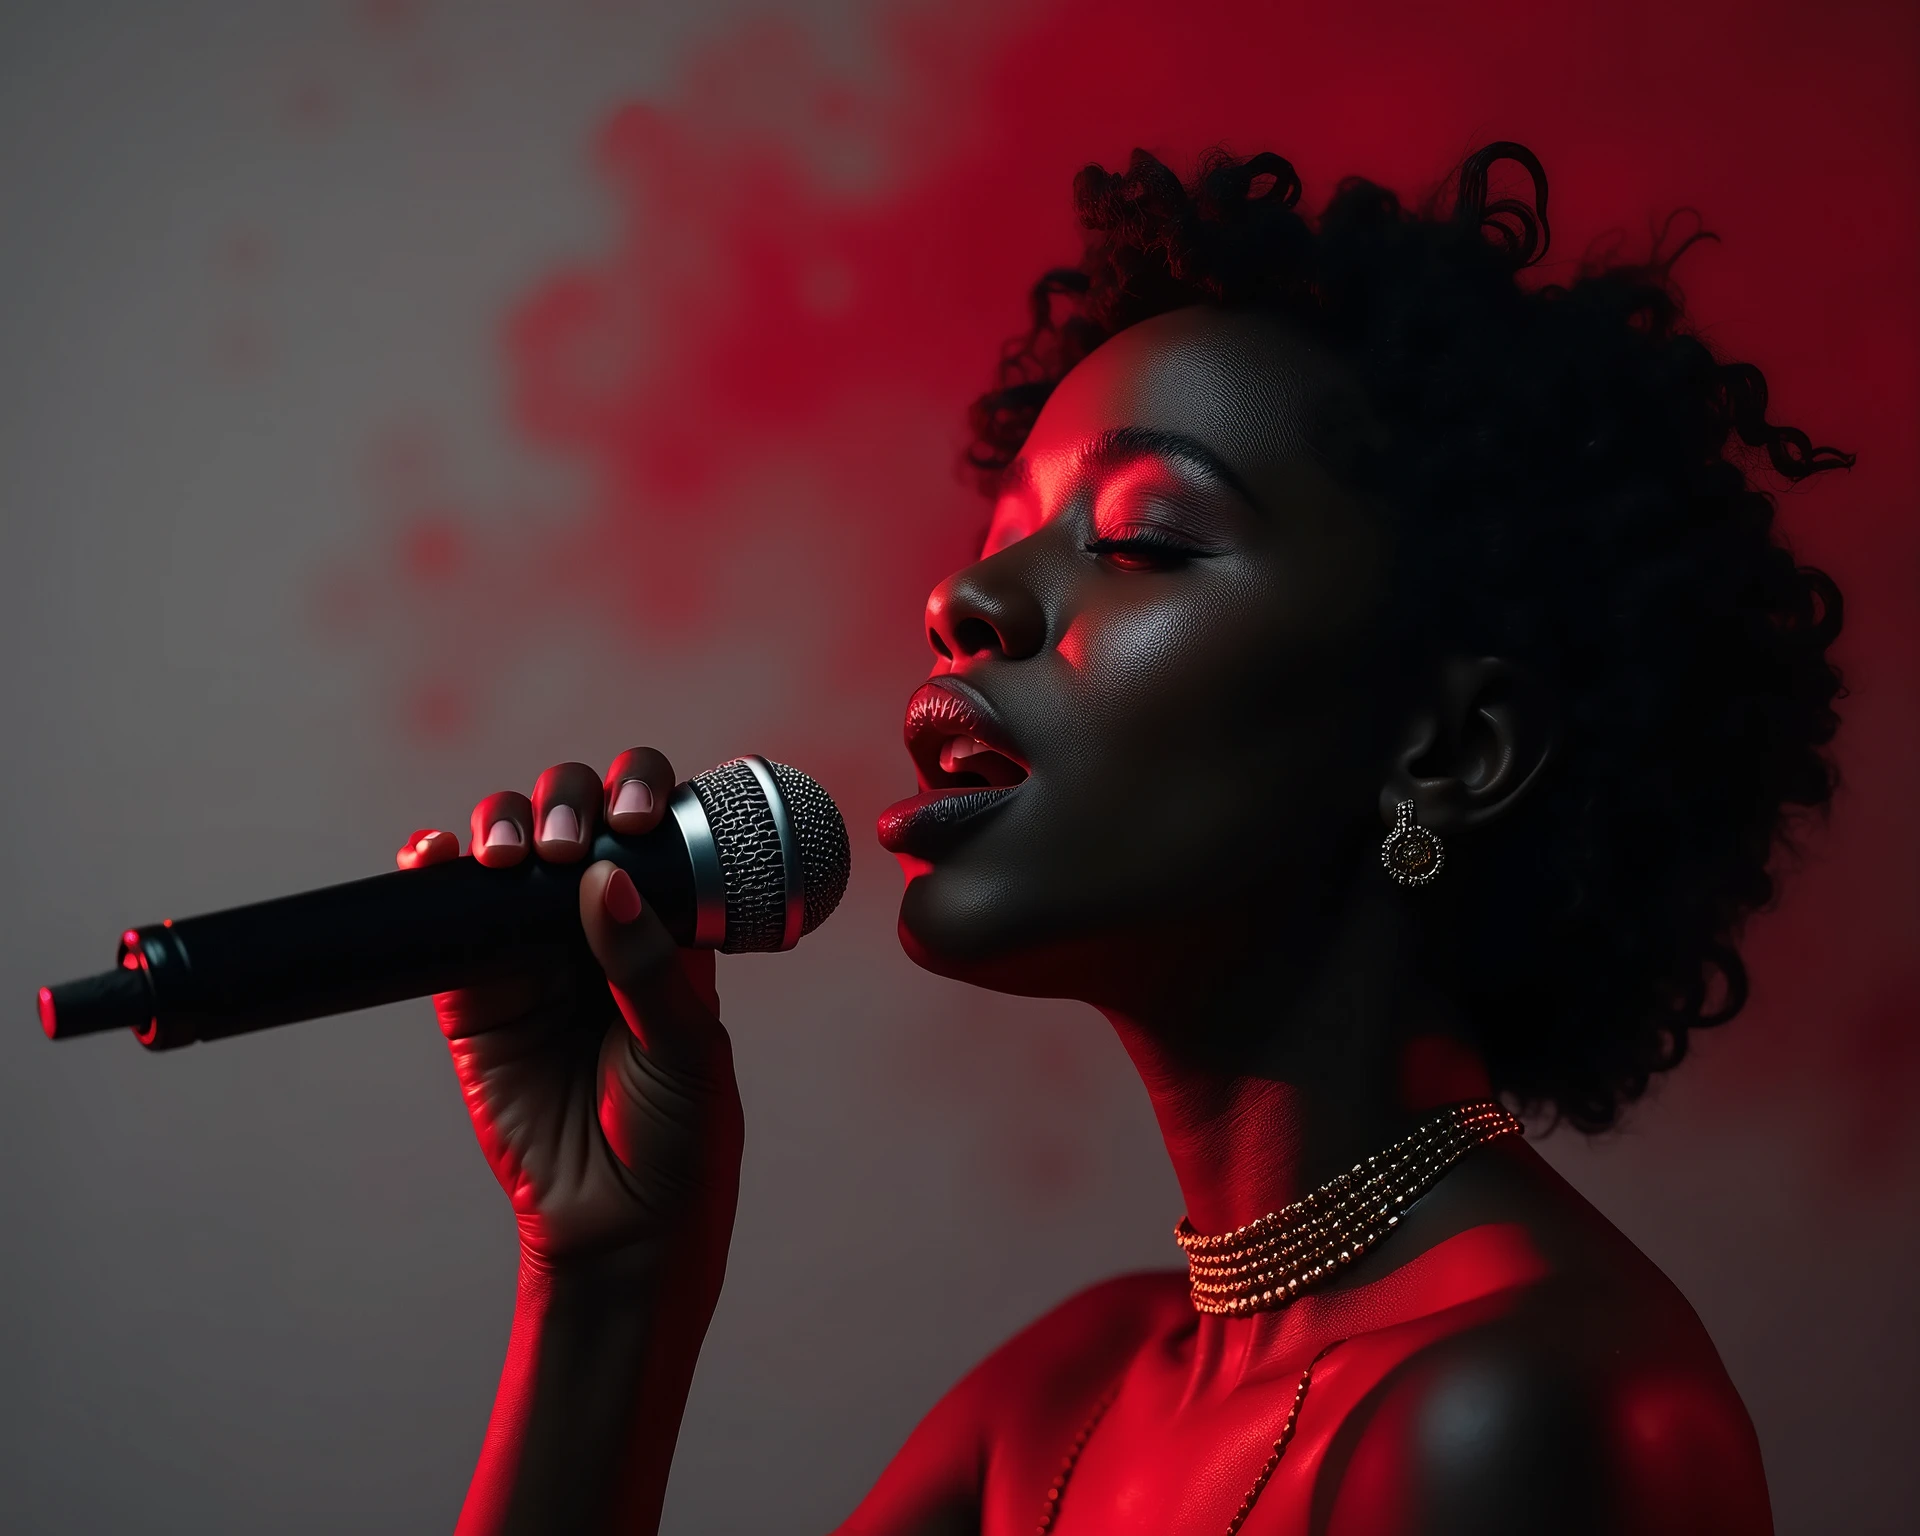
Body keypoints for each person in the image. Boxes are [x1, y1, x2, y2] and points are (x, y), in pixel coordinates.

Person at [396, 142, 1849, 1533]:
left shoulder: (1522, 1420)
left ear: (1447, 749)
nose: (963, 604)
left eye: (1142, 539)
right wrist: (605, 1275)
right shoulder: (1062, 1402)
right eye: (1001, 532)